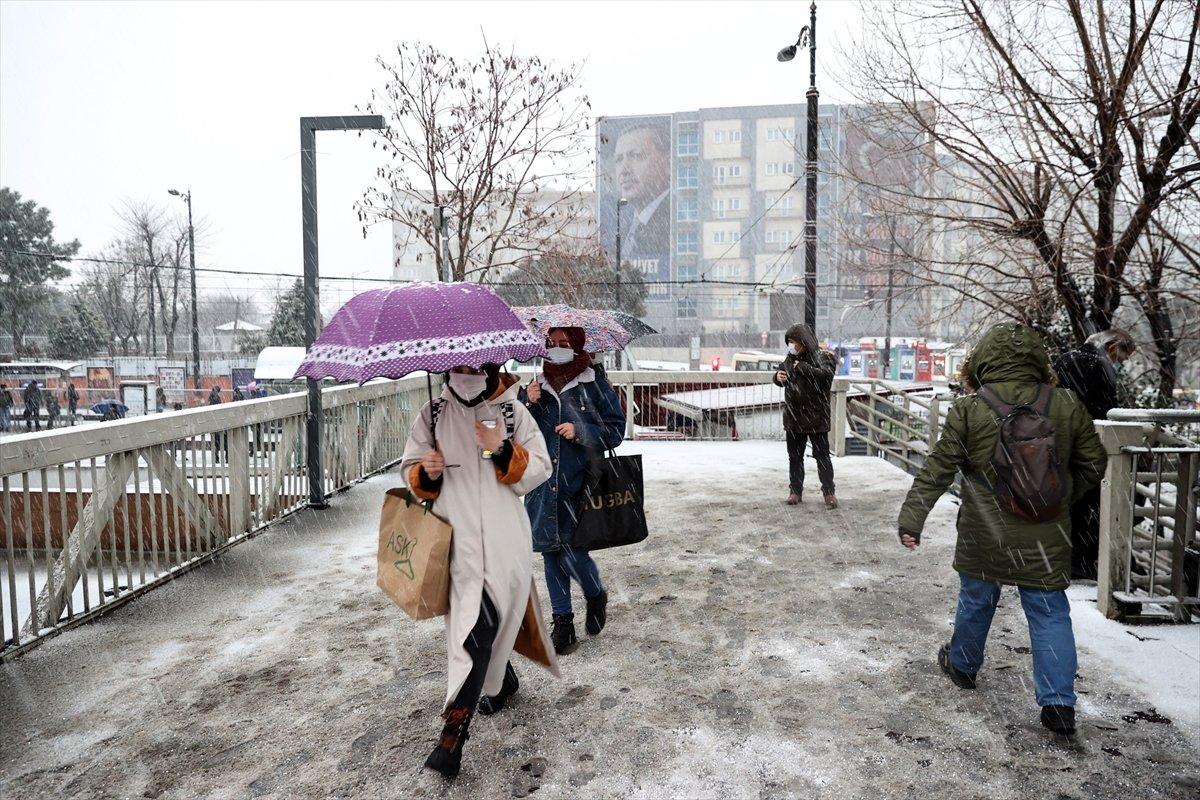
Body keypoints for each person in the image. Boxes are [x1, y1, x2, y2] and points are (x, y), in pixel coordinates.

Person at [896, 323, 1107, 737]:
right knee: (1049, 613)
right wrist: (1057, 499)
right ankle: (1058, 704)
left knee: (977, 599)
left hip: (985, 530)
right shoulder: (1065, 403)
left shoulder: (969, 409)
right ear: (1037, 360)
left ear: (983, 361)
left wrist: (912, 518)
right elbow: (1094, 462)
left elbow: (938, 468)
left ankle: (962, 665)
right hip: (1046, 533)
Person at [401, 362, 558, 778]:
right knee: (476, 629)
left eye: (474, 365)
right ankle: (462, 724)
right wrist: (426, 472)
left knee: (485, 625)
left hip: (505, 544)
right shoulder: (432, 415)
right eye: (459, 365)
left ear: (488, 365)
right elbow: (411, 473)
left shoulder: (511, 412)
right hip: (458, 548)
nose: (466, 371)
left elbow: (540, 467)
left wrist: (501, 448)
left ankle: (465, 719)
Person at [521, 328, 626, 655]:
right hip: (542, 485)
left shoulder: (593, 384)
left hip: (580, 485)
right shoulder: (535, 386)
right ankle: (563, 622)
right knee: (551, 553)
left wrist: (580, 430)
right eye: (551, 344)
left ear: (577, 347)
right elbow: (518, 433)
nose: (556, 349)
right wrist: (527, 402)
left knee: (572, 553)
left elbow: (615, 431)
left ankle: (595, 593)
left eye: (564, 344)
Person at [1053, 328, 1136, 580]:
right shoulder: (1100, 367)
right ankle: (1080, 562)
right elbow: (1107, 413)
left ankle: (1061, 557)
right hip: (1084, 448)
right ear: (1112, 348)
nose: (1120, 364)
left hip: (1057, 445)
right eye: (1122, 358)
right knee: (1091, 506)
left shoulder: (1064, 359)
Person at [772, 323, 838, 508]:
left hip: (816, 418)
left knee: (822, 457)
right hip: (794, 418)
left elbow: (826, 377)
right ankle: (795, 490)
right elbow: (781, 374)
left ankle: (829, 492)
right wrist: (778, 377)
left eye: (794, 342)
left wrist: (803, 368)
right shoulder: (790, 359)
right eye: (789, 342)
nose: (791, 346)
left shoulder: (823, 357)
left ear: (804, 342)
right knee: (794, 457)